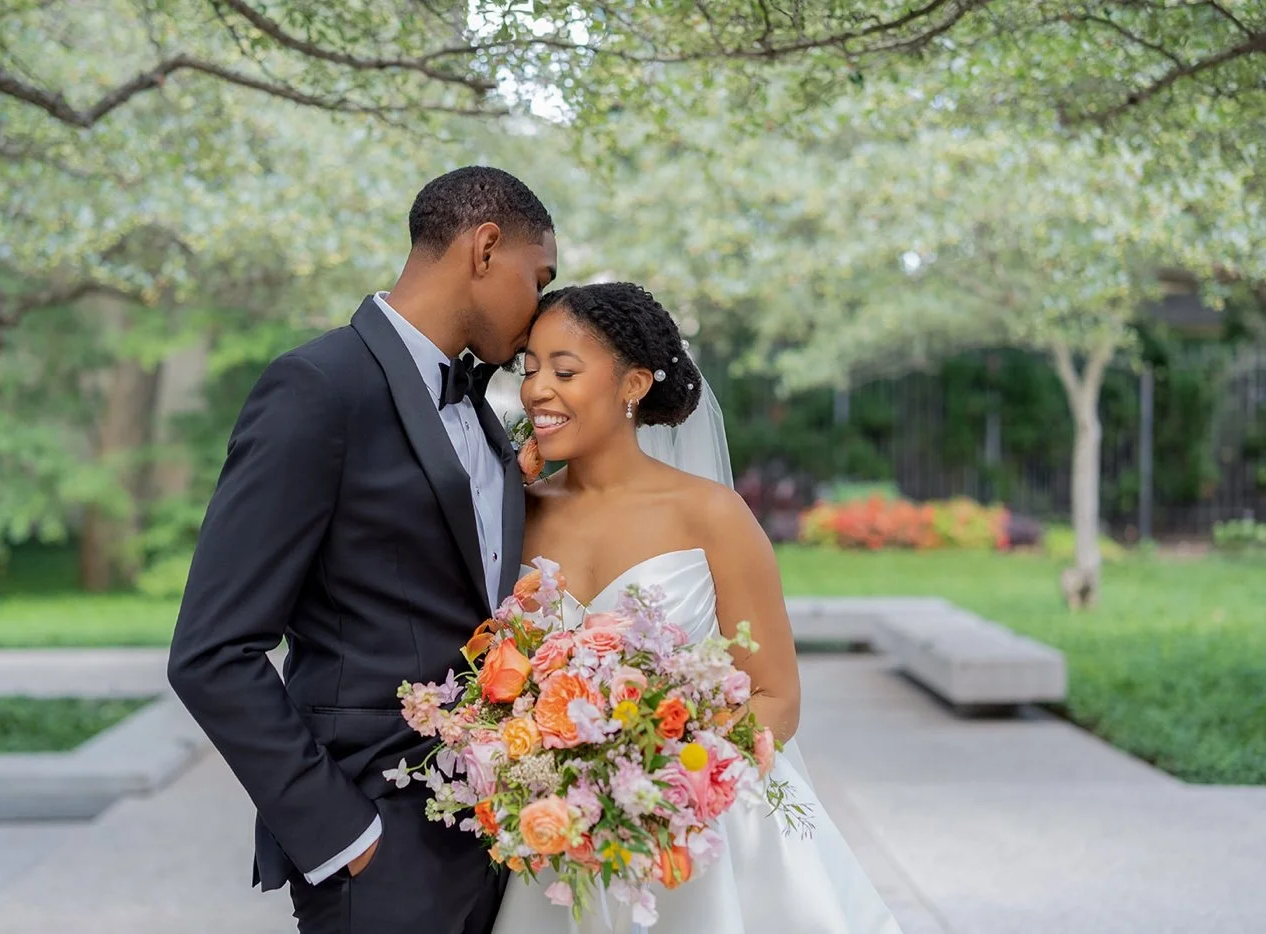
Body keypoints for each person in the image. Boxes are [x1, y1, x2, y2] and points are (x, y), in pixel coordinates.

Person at [168, 166, 558, 934]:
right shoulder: (317, 387)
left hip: (488, 835)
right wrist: (344, 836)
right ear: (484, 249)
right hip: (378, 849)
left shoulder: (479, 412)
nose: (540, 306)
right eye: (537, 277)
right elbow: (211, 651)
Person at [491, 282, 903, 934]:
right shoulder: (515, 510)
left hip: (706, 838)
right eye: (529, 370)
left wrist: (658, 786)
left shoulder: (710, 514)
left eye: (564, 371)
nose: (537, 389)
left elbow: (777, 697)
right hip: (558, 842)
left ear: (632, 385)